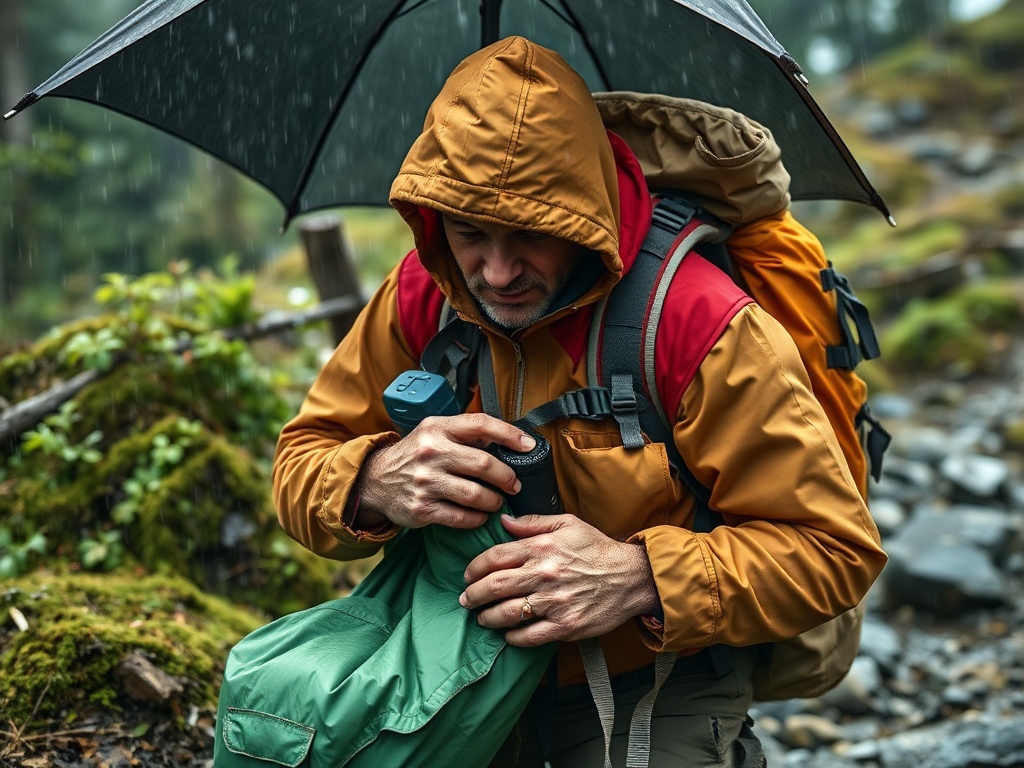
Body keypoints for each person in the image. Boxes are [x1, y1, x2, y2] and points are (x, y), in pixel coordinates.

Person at [273, 36, 886, 768]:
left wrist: (639, 577)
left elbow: (834, 550)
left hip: (657, 682)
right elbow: (298, 467)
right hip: (453, 663)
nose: (496, 274)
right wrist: (375, 480)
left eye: (531, 237)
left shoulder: (695, 320)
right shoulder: (423, 292)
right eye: (470, 233)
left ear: (585, 218)